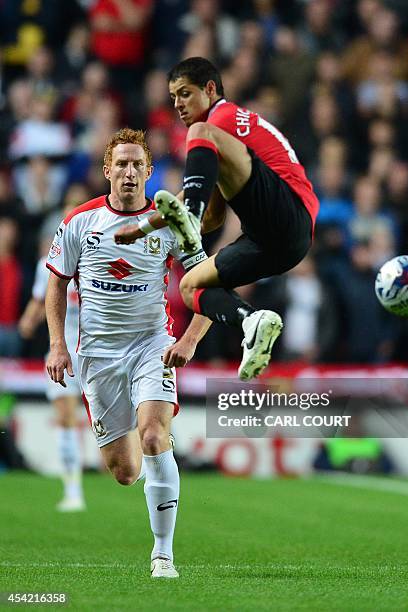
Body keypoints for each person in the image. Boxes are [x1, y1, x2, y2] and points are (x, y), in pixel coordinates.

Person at [45, 128, 211, 579]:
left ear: (150, 172)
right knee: (123, 470)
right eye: (121, 163)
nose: (129, 171)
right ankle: (144, 448)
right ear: (107, 170)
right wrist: (58, 344)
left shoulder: (171, 222)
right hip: (97, 356)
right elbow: (56, 281)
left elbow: (210, 285)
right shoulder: (80, 221)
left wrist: (191, 338)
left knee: (156, 437)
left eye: (138, 164)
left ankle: (163, 555)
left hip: (151, 345)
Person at [115, 56, 319, 380]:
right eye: (173, 98)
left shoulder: (220, 119)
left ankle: (188, 221)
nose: (178, 105)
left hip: (291, 210)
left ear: (210, 89)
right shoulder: (213, 153)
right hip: (279, 245)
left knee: (199, 133)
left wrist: (143, 227)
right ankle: (250, 320)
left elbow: (190, 202)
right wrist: (190, 339)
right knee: (190, 285)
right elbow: (214, 217)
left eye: (185, 94)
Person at [19, 234, 86, 512]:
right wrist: (29, 319)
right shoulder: (45, 264)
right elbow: (41, 298)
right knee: (65, 416)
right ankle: (72, 490)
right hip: (63, 349)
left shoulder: (96, 259)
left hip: (97, 349)